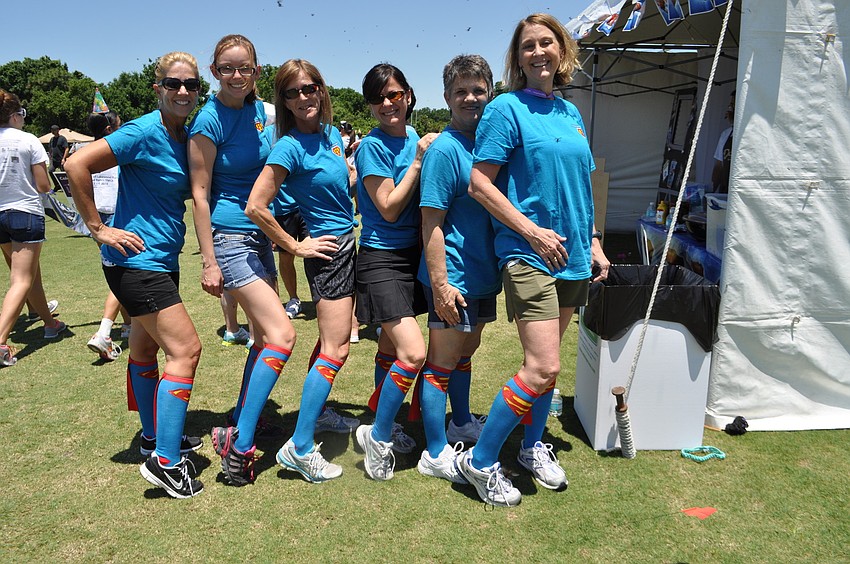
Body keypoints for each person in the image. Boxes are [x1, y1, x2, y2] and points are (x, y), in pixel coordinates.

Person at [459, 13, 611, 506]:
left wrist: (592, 240)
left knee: (548, 365)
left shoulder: (570, 113)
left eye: (547, 43)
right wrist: (529, 230)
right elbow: (479, 183)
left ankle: (529, 447)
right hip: (528, 252)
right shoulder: (506, 108)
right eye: (528, 46)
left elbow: (582, 185)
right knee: (542, 368)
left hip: (571, 254)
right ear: (518, 57)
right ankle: (479, 463)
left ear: (562, 51)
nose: (539, 52)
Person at [65, 52, 205, 498]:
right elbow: (75, 165)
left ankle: (151, 436)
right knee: (186, 351)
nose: (183, 91)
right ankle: (167, 462)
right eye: (173, 83)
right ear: (157, 87)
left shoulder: (183, 135)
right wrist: (98, 228)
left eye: (191, 85)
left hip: (160, 260)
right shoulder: (143, 130)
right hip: (136, 264)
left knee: (144, 350)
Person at [246, 58, 359, 483]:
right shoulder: (288, 146)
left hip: (349, 244)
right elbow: (256, 206)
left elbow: (336, 185)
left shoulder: (331, 137)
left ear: (321, 90)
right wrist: (295, 245)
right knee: (337, 349)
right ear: (284, 101)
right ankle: (299, 446)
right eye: (292, 93)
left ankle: (319, 415)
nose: (302, 98)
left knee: (335, 345)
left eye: (309, 88)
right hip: (327, 254)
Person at [189, 34, 287, 486]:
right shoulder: (209, 120)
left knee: (267, 336)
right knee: (281, 335)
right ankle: (239, 442)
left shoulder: (258, 113)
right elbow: (200, 194)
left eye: (244, 68)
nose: (236, 76)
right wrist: (209, 262)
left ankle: (242, 415)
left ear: (256, 70)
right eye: (226, 68)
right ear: (214, 72)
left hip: (259, 235)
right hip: (229, 237)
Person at [415, 54, 500, 483]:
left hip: (484, 273)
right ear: (447, 96)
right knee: (441, 362)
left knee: (466, 352)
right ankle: (434, 450)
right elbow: (431, 222)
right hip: (455, 274)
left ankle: (462, 422)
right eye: (461, 91)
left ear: (490, 92)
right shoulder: (445, 150)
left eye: (478, 89)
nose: (470, 98)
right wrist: (441, 284)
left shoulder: (489, 144)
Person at [352, 63, 438, 481]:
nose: (388, 104)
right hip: (380, 258)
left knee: (388, 349)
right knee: (413, 353)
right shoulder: (372, 147)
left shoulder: (413, 140)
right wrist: (420, 162)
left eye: (394, 94)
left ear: (408, 95)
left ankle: (386, 419)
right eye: (379, 98)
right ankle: (379, 434)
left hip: (412, 257)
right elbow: (388, 205)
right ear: (370, 105)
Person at [0, 90, 68, 366]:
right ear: (16, 115)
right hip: (25, 212)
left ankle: (50, 323)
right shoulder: (27, 140)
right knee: (22, 279)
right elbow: (43, 185)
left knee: (29, 275)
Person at [78, 111, 130, 361]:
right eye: (119, 125)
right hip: (116, 217)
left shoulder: (87, 153)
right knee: (123, 275)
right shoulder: (116, 152)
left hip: (96, 220)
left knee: (118, 271)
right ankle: (104, 332)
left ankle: (129, 325)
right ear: (110, 129)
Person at [711, 90, 735, 194]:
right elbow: (718, 166)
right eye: (730, 105)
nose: (729, 109)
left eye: (733, 105)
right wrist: (712, 192)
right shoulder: (726, 134)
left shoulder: (752, 134)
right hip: (725, 192)